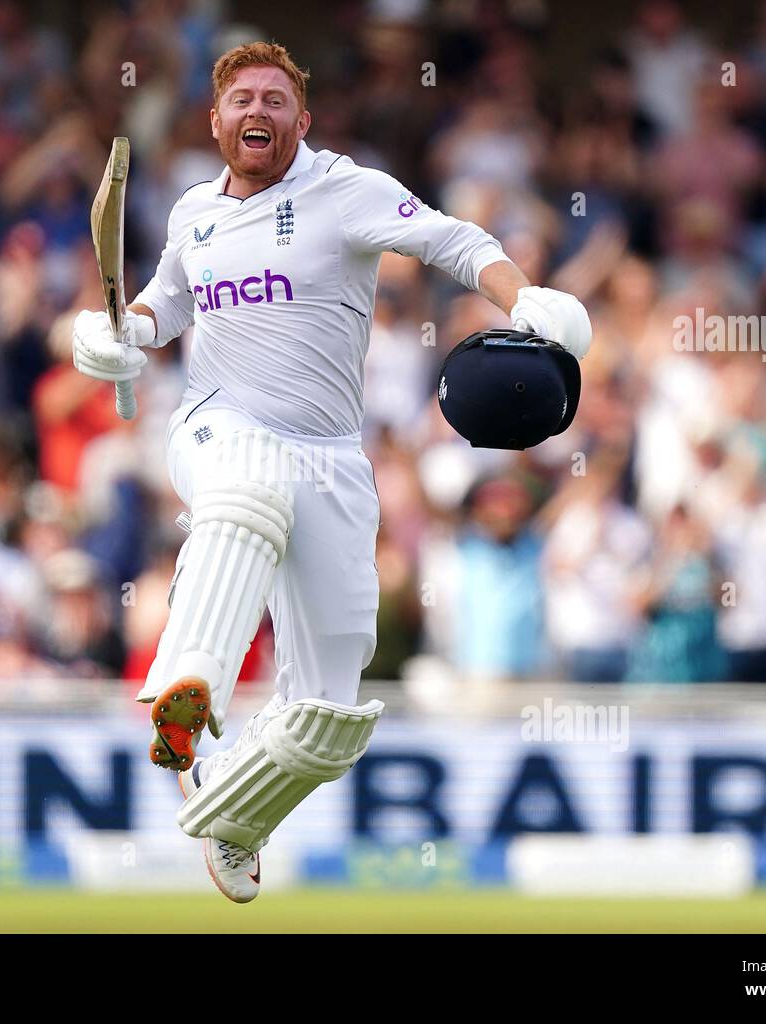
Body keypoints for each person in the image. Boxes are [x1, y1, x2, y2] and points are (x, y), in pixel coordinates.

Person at [67, 42, 592, 902]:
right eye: (242, 100)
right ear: (216, 121)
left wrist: (523, 297)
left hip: (333, 458)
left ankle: (231, 813)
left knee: (327, 722)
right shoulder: (193, 211)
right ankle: (188, 697)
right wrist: (118, 336)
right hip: (218, 424)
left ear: (301, 122)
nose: (258, 113)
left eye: (275, 101)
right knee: (244, 496)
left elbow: (454, 240)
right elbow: (165, 300)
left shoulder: (346, 189)